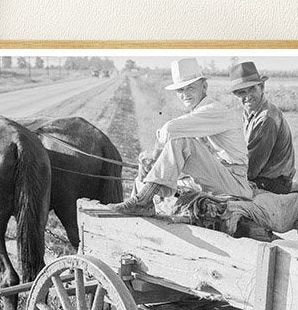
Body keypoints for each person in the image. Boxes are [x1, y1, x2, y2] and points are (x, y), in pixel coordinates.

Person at [105, 58, 252, 215]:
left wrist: (154, 155)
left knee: (181, 142)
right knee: (147, 168)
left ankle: (142, 202)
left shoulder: (214, 110)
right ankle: (138, 206)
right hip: (219, 176)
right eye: (180, 90)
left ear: (204, 86)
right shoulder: (199, 113)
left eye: (190, 88)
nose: (185, 94)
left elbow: (170, 129)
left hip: (235, 182)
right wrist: (152, 163)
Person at [229, 60, 296, 194]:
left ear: (262, 87)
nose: (247, 96)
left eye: (252, 89)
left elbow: (253, 168)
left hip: (273, 183)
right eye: (242, 92)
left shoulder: (266, 118)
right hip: (264, 177)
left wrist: (229, 175)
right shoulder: (250, 111)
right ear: (236, 95)